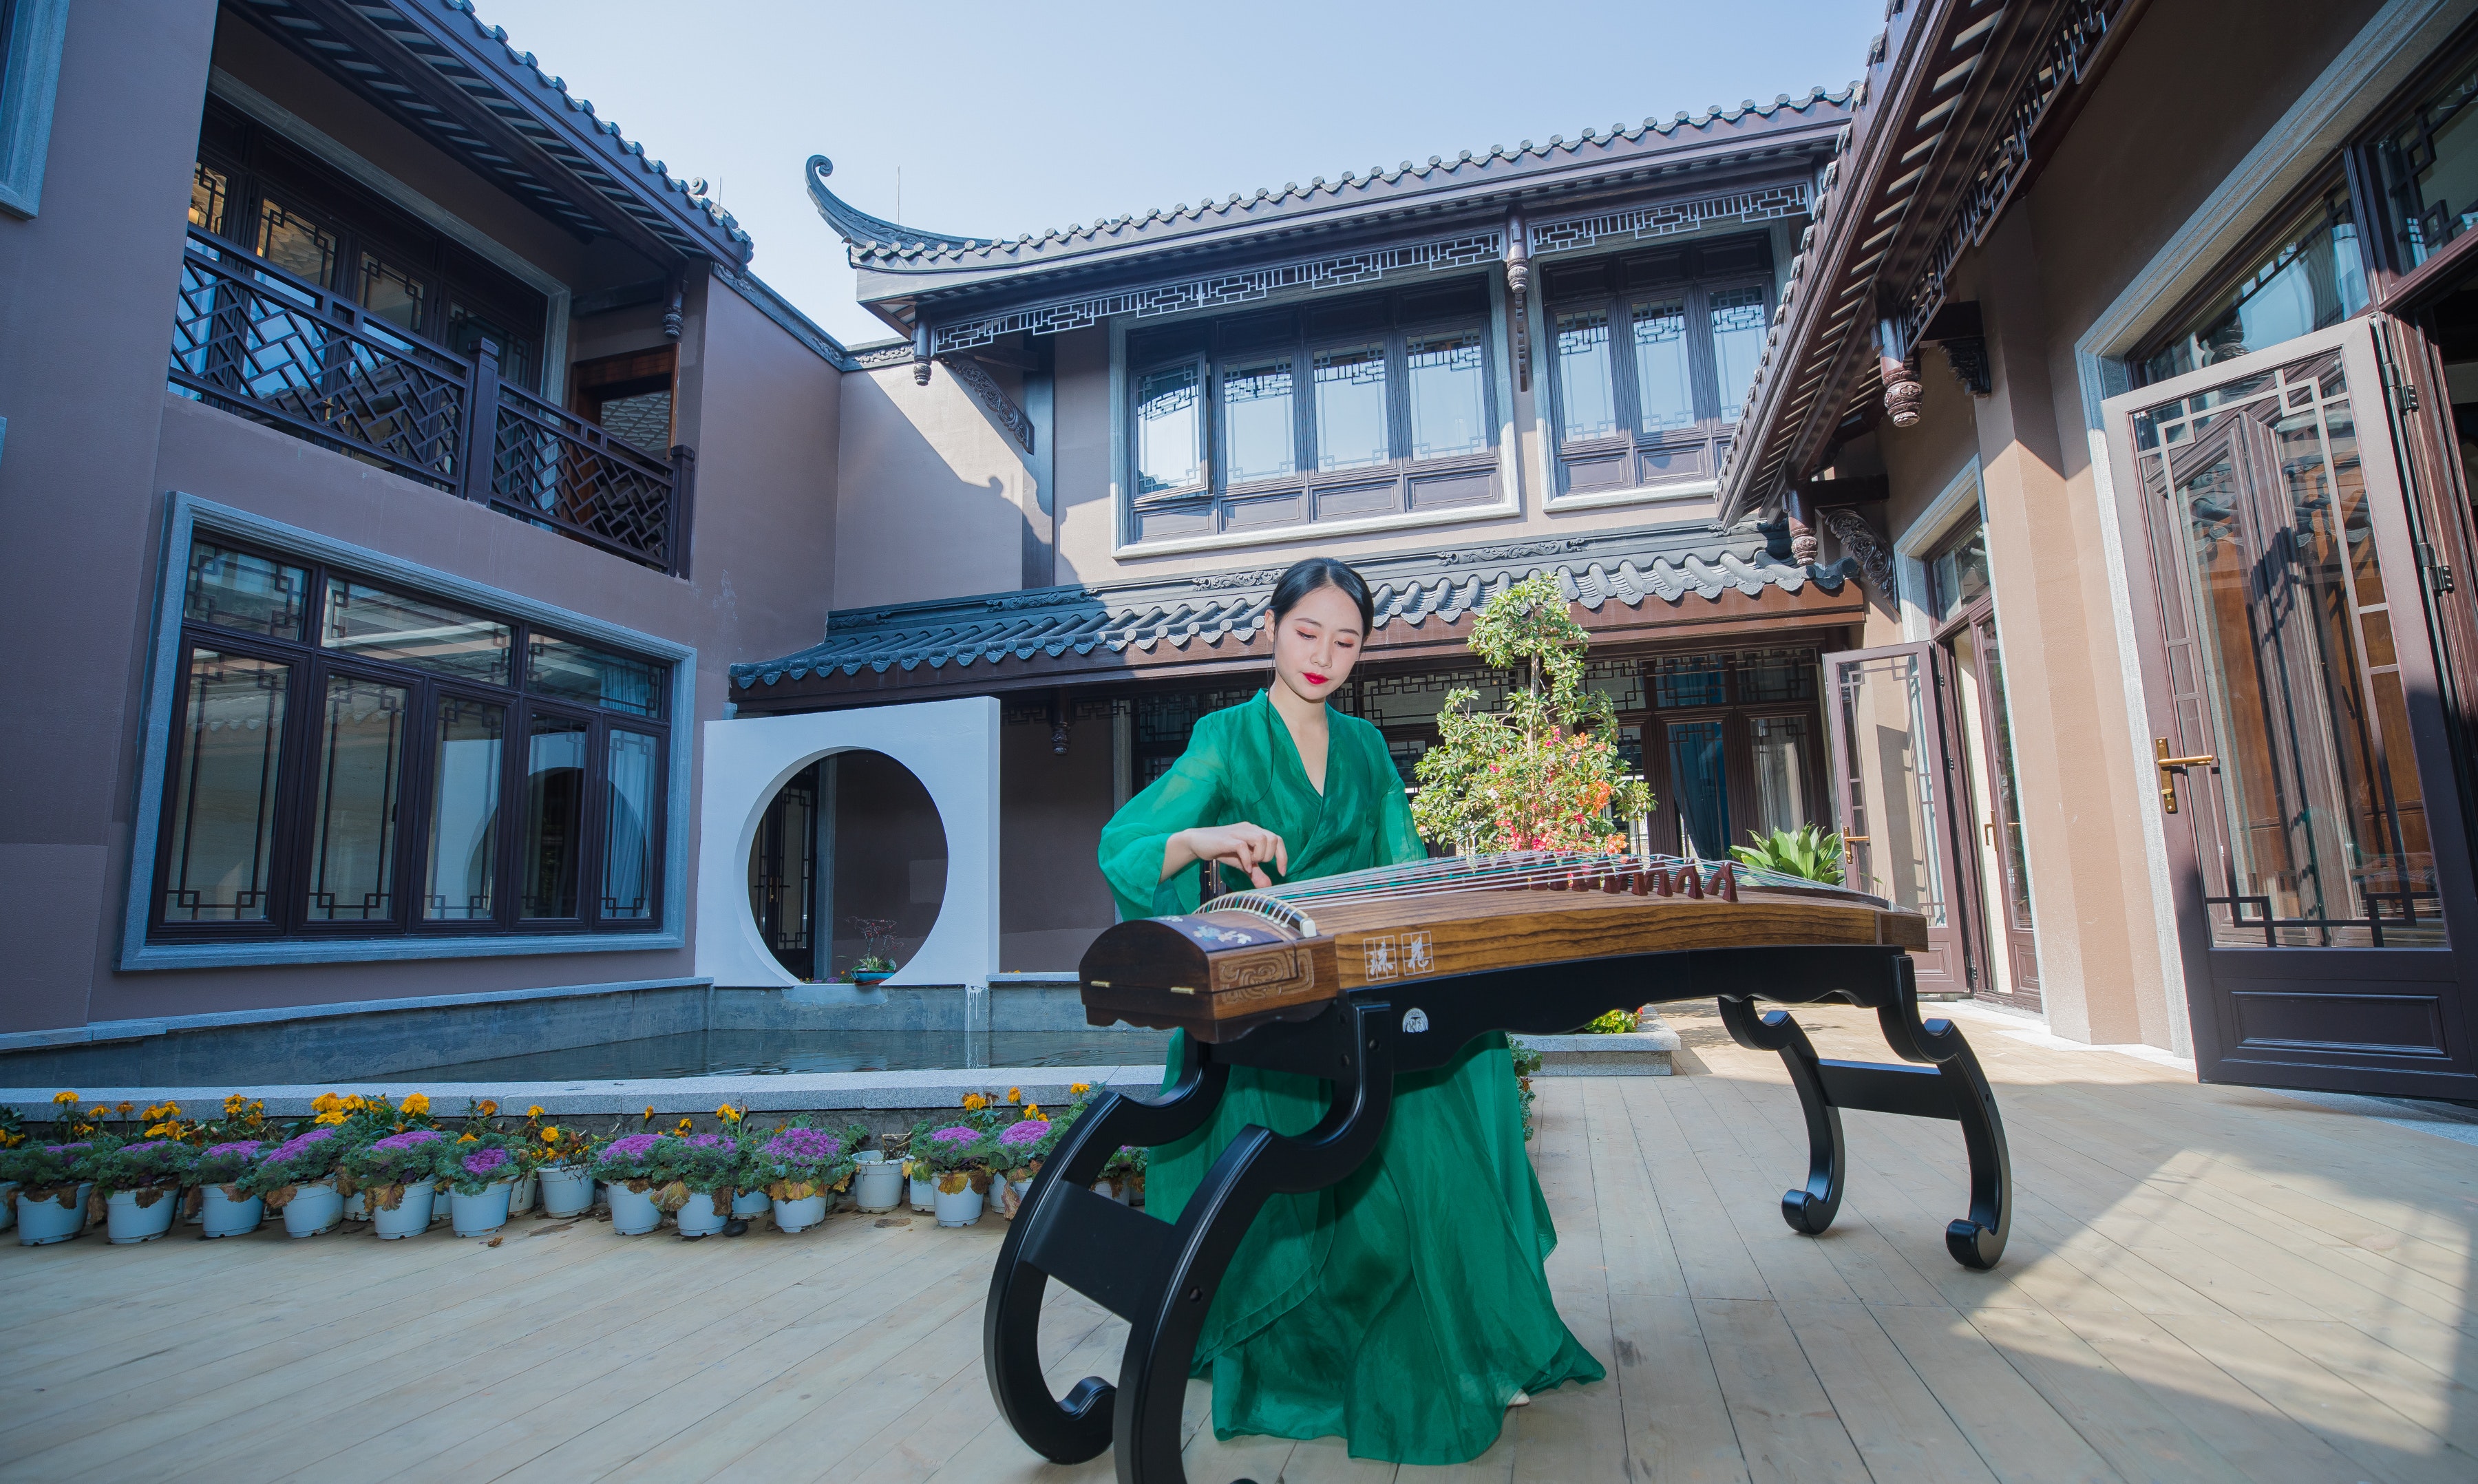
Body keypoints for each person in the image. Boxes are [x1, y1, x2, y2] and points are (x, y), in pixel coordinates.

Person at [1096, 556, 1604, 1465]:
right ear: (1272, 628)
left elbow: (1403, 868)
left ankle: (1465, 1335)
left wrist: (1460, 896)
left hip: (1361, 975)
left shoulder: (1367, 748)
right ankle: (1364, 1345)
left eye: (1346, 640)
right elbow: (1126, 845)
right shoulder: (1226, 737)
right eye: (1307, 632)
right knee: (1395, 1114)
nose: (1325, 655)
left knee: (1467, 1052)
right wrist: (1208, 837)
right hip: (1270, 1001)